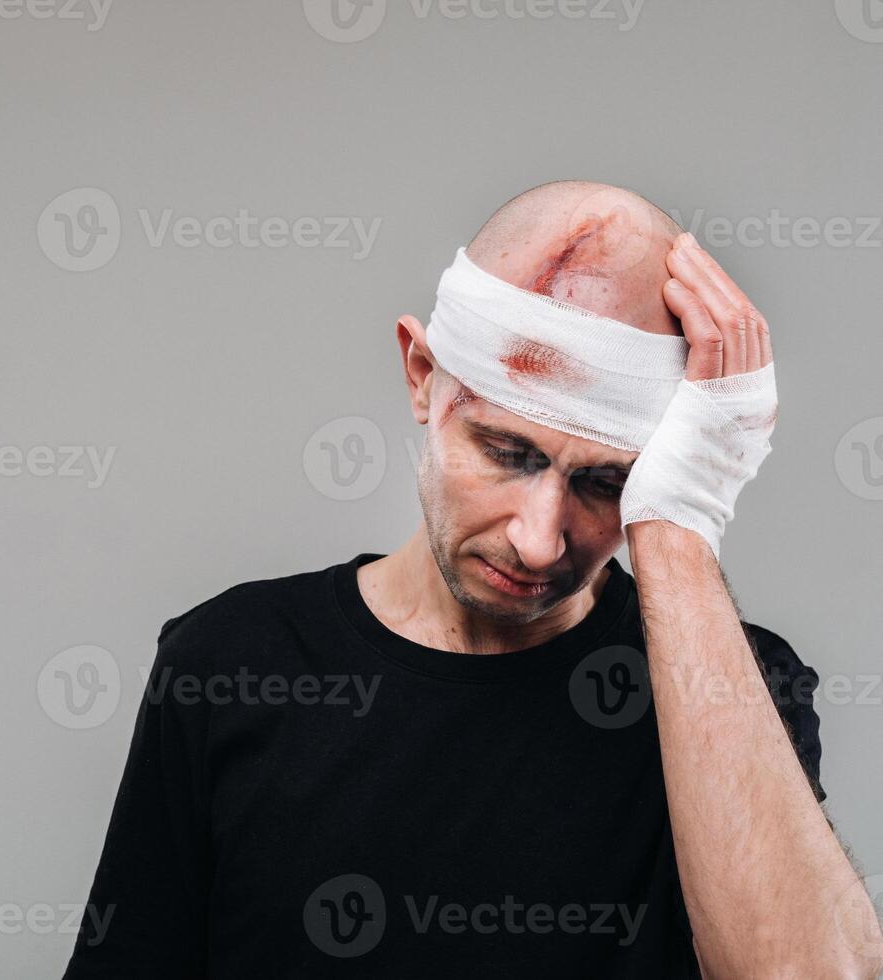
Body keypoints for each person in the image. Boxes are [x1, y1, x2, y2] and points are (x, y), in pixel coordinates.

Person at [60, 180, 883, 978]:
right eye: (506, 453)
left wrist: (680, 521)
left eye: (606, 483)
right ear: (423, 375)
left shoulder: (736, 691)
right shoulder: (232, 661)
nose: (537, 541)